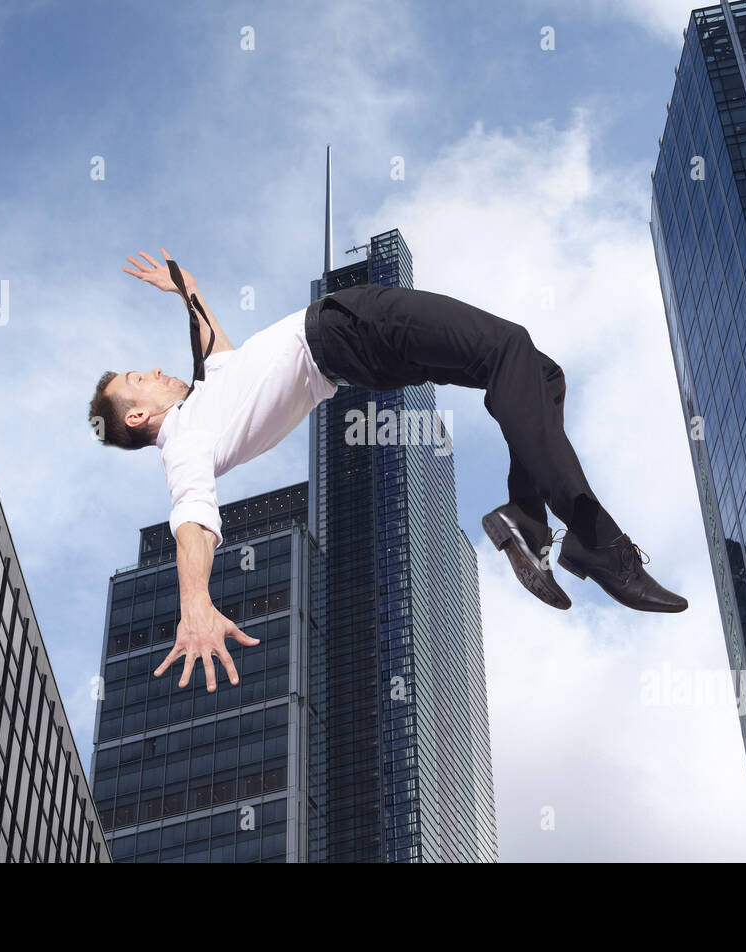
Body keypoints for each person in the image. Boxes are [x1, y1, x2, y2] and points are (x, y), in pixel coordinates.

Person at [88, 250, 687, 692]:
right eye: (140, 380)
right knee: (509, 349)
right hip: (349, 328)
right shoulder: (185, 442)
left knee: (536, 372)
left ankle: (527, 520)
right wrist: (194, 603)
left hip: (351, 350)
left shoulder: (203, 401)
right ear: (139, 415)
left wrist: (187, 291)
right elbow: (191, 518)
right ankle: (598, 543)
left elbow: (213, 345)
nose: (155, 370)